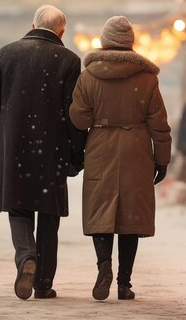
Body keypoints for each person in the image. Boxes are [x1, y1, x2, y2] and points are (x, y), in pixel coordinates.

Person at [0, 5, 88, 300]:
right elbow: (74, 112)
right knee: (49, 215)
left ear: (32, 24)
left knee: (18, 208)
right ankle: (42, 283)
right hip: (52, 149)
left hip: (14, 144)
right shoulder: (69, 60)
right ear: (61, 31)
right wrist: (76, 152)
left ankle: (25, 256)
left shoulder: (6, 54)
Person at [69, 16, 172, 301]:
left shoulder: (89, 75)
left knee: (100, 209)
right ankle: (124, 283)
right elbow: (159, 124)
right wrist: (161, 159)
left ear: (104, 40)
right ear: (130, 42)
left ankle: (104, 266)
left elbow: (79, 118)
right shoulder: (147, 78)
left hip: (101, 146)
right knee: (131, 217)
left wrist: (98, 115)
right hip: (137, 150)